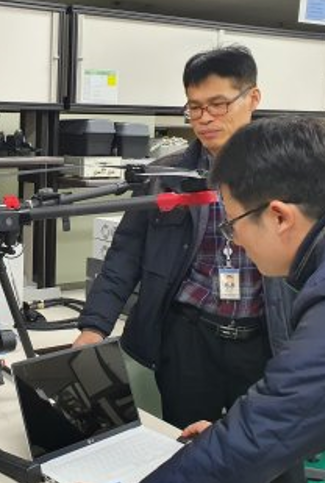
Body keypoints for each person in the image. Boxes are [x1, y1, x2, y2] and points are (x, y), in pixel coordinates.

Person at [143, 115, 325, 482]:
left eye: (232, 224)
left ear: (279, 217)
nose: (235, 240)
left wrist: (236, 439)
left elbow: (262, 435)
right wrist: (231, 435)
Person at [74, 45, 296, 431]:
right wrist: (94, 327)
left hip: (265, 339)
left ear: (253, 98)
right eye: (194, 107)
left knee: (265, 445)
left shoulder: (289, 173)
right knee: (187, 443)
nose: (204, 118)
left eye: (218, 104)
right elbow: (124, 255)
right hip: (188, 339)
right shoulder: (165, 176)